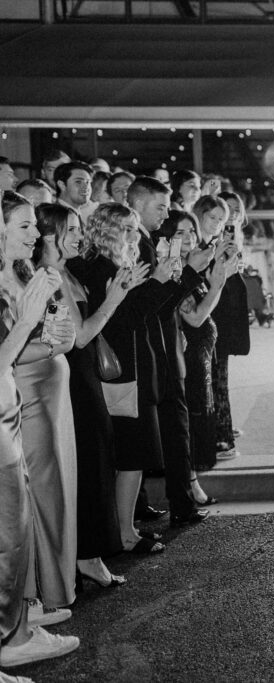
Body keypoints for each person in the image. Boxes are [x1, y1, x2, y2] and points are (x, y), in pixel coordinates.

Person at [36, 204, 146, 589]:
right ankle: (87, 558)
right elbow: (79, 336)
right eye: (70, 230)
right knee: (91, 465)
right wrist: (114, 298)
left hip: (84, 379)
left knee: (96, 463)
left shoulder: (68, 271)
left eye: (80, 229)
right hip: (73, 383)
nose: (79, 237)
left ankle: (88, 556)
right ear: (48, 235)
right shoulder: (52, 276)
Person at [0, 193, 79, 670]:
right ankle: (12, 639)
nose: (37, 236)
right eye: (26, 226)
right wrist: (34, 325)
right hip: (9, 408)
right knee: (10, 530)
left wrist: (49, 328)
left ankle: (20, 619)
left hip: (12, 408)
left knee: (19, 522)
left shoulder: (25, 274)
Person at [67, 202, 170, 554]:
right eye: (124, 229)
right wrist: (156, 284)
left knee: (133, 455)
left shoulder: (115, 263)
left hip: (132, 366)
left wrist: (161, 283)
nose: (132, 236)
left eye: (133, 229)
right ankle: (123, 533)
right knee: (130, 454)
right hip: (119, 372)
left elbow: (137, 314)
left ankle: (124, 528)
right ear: (106, 230)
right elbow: (120, 320)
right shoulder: (98, 268)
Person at [127, 178, 216, 529]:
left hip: (162, 348)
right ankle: (178, 503)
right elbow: (159, 307)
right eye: (160, 207)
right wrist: (191, 271)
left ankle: (161, 502)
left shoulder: (149, 243)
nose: (166, 213)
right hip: (155, 350)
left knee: (172, 428)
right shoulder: (142, 247)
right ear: (138, 205)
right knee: (172, 429)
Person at [157, 210, 237, 502]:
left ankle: (192, 482)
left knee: (197, 416)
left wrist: (218, 273)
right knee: (188, 420)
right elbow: (195, 317)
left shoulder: (191, 267)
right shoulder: (174, 270)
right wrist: (217, 283)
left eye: (192, 231)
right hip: (186, 354)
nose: (189, 237)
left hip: (201, 353)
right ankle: (190, 484)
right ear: (167, 238)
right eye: (180, 233)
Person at [211, 192, 252, 460]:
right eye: (229, 210)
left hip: (229, 305)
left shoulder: (235, 235)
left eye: (237, 209)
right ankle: (220, 434)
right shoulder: (217, 239)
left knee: (221, 374)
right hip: (217, 307)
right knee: (217, 377)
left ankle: (224, 427)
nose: (234, 214)